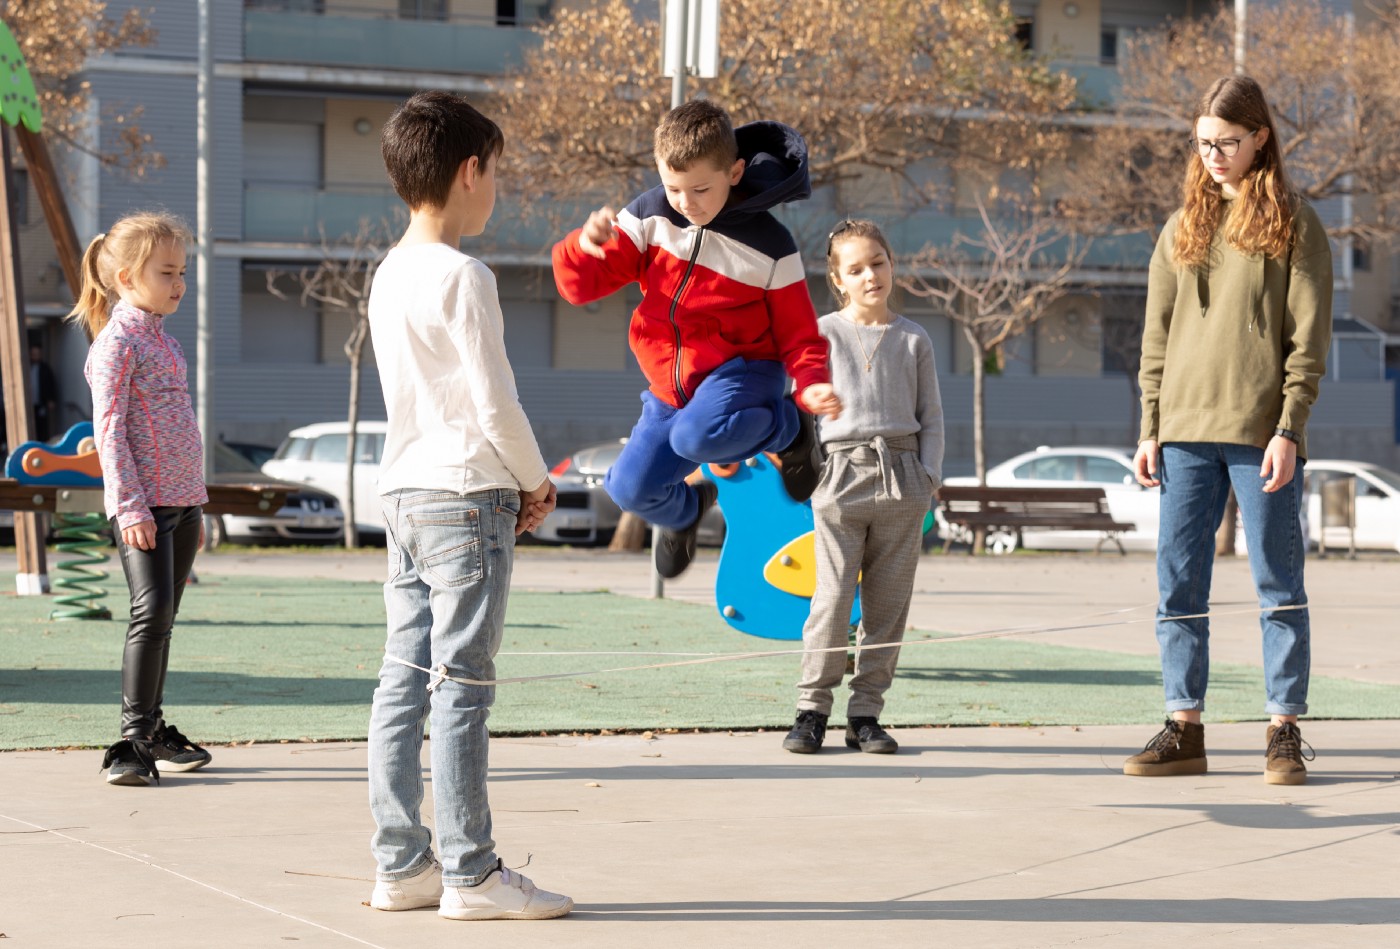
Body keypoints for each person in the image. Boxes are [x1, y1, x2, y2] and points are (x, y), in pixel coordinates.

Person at [363, 90, 572, 922]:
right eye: (497, 172)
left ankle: (400, 863)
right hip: (466, 490)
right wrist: (536, 480)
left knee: (403, 677)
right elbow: (494, 404)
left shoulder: (388, 271)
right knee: (462, 686)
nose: (498, 189)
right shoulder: (465, 275)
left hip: (406, 490)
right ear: (469, 169)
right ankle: (472, 872)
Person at [1123, 75, 1332, 786]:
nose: (1212, 154)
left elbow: (1308, 340)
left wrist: (1288, 427)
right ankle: (1185, 729)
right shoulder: (1181, 226)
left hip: (1260, 432)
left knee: (1279, 583)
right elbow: (1155, 337)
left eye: (1227, 142)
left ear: (1260, 138)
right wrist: (1149, 424)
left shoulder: (1296, 222)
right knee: (1178, 585)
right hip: (1183, 431)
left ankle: (1284, 728)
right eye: (1203, 142)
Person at [552, 99, 842, 579]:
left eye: (700, 188)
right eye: (673, 188)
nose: (686, 203)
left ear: (734, 171)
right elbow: (581, 289)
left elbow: (798, 330)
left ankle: (790, 428)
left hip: (746, 371)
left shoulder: (770, 245)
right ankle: (687, 512)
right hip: (672, 390)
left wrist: (809, 381)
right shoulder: (650, 216)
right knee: (626, 488)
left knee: (697, 435)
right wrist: (585, 248)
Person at [782, 220, 944, 755]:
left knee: (887, 605)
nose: (870, 275)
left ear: (891, 264)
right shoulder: (822, 333)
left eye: (878, 262)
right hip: (840, 474)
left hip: (903, 478)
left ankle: (866, 714)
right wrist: (809, 471)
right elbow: (797, 403)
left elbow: (933, 417)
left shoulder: (914, 338)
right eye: (855, 269)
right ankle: (811, 711)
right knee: (830, 599)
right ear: (838, 279)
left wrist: (928, 478)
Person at [67, 212, 213, 786]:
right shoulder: (116, 346)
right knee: (149, 614)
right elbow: (110, 431)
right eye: (167, 272)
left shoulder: (165, 342)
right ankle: (130, 742)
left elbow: (177, 426)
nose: (179, 283)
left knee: (165, 618)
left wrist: (195, 504)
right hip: (144, 508)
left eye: (183, 272)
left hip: (182, 505)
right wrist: (129, 507)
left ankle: (151, 728)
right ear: (126, 278)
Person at [29, 343, 59, 441]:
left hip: (41, 402)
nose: (35, 356)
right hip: (30, 403)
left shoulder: (45, 368)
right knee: (31, 425)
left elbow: (51, 384)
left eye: (37, 354)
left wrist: (51, 399)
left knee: (42, 426)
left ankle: (43, 444)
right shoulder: (27, 368)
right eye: (33, 354)